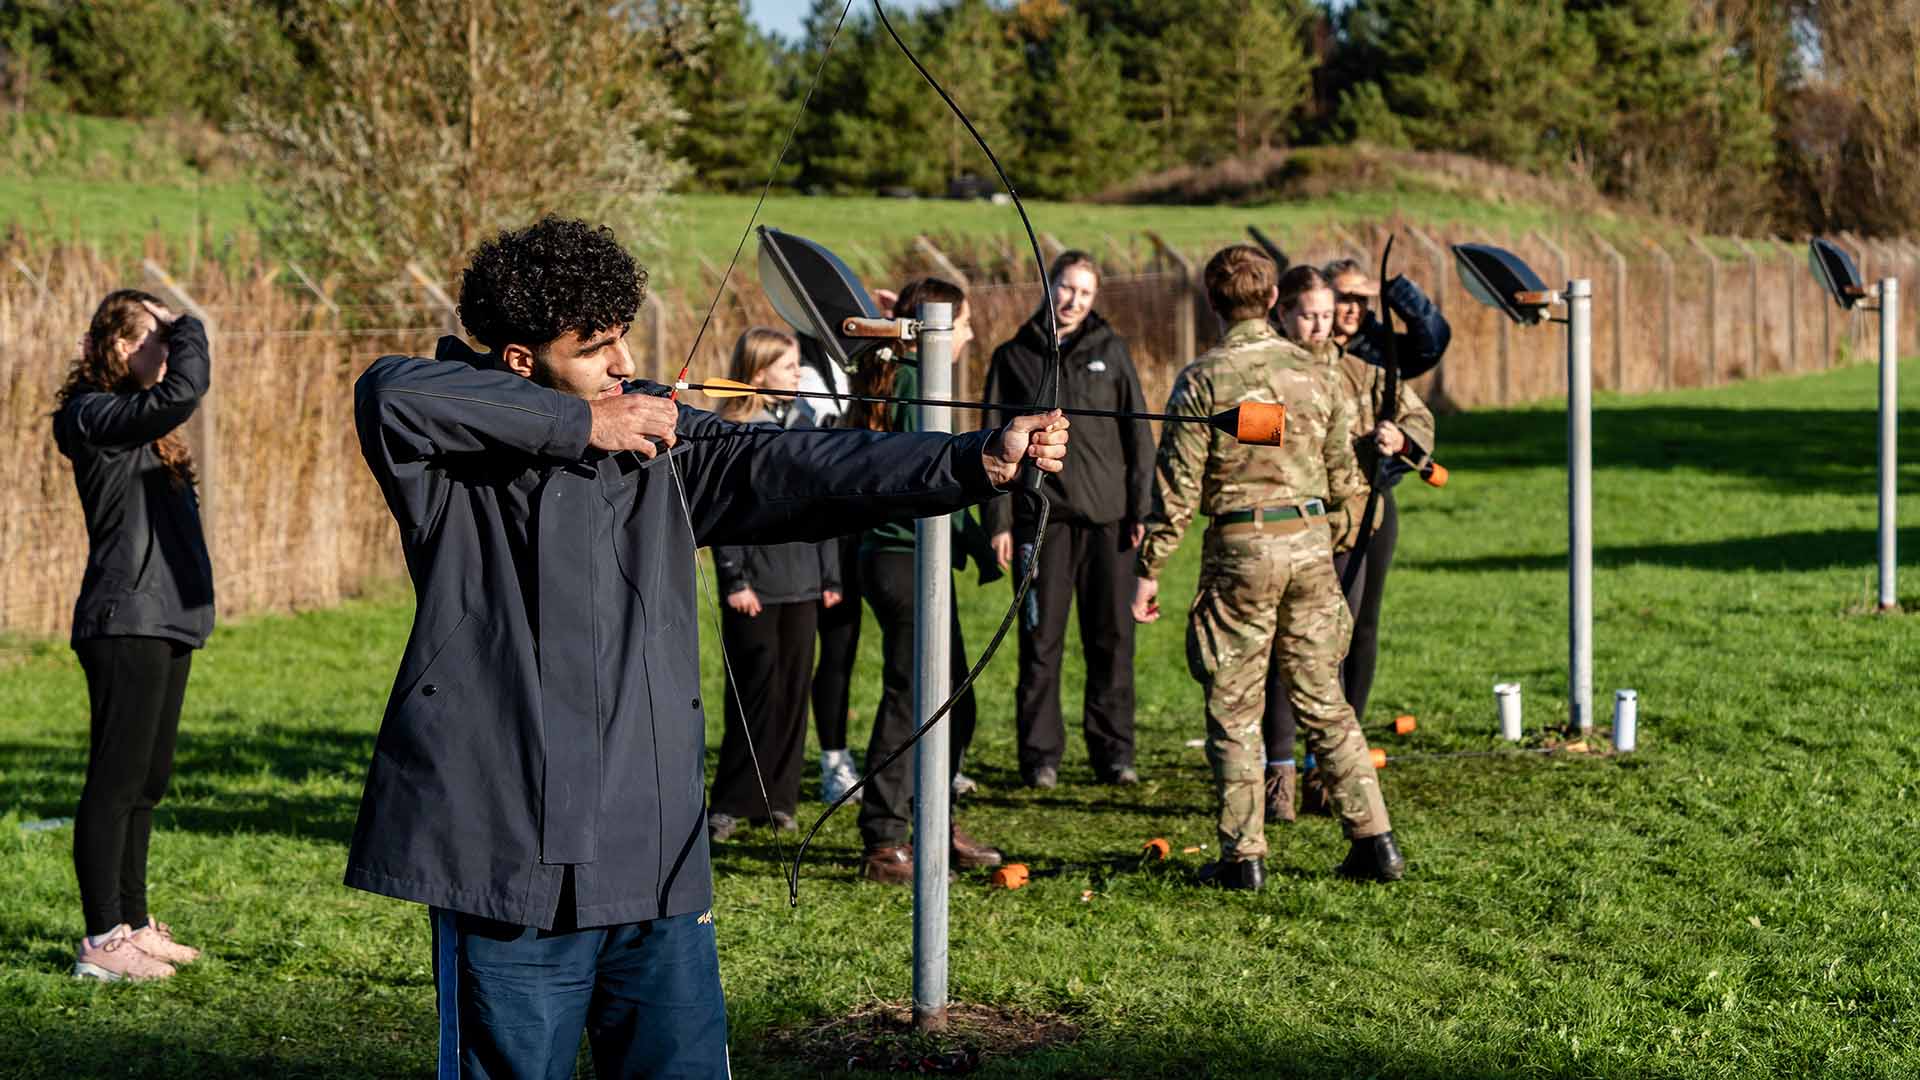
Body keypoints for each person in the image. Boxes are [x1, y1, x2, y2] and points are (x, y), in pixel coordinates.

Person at [349, 218, 1069, 1077]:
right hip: (509, 855)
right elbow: (392, 390)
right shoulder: (446, 460)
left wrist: (970, 458)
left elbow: (802, 464)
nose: (621, 365)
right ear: (518, 360)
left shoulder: (663, 444)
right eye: (595, 349)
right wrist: (584, 427)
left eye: (623, 340)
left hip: (653, 852)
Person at [1130, 245, 1404, 891]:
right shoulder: (1315, 373)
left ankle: (1243, 856)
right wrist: (1335, 533)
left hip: (1241, 550)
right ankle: (1374, 840)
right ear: (1274, 300)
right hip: (1311, 547)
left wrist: (1150, 568)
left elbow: (1176, 488)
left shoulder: (1204, 379)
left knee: (1234, 705)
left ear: (1211, 302)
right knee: (1325, 700)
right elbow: (1343, 475)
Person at [53, 290, 213, 981]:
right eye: (159, 334)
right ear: (122, 347)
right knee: (114, 783)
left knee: (148, 782)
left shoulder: (142, 429)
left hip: (167, 619)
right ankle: (100, 939)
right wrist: (194, 327)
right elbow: (182, 391)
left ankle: (134, 925)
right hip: (125, 620)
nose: (171, 345)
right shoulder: (90, 415)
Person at [1261, 262, 1444, 823]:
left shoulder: (1361, 371)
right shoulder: (1268, 372)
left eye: (1332, 313)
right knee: (1283, 653)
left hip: (1355, 527)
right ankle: (1279, 778)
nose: (1326, 324)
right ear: (1287, 313)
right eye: (1314, 313)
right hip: (1289, 531)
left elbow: (1416, 414)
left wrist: (1401, 436)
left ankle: (1330, 771)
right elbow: (1253, 436)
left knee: (1346, 641)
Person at [848, 277, 1006, 885]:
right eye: (963, 322)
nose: (967, 334)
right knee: (911, 697)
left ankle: (935, 820)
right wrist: (979, 539)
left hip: (906, 557)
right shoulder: (918, 384)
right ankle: (885, 839)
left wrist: (973, 545)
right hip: (900, 556)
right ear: (937, 327)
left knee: (951, 701)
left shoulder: (901, 376)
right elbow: (933, 473)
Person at [982, 251, 1153, 788]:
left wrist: (1142, 511)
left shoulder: (1112, 351)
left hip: (1109, 522)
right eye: (1065, 287)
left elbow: (1138, 436)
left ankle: (1114, 754)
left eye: (1085, 291)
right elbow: (990, 440)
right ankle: (1040, 758)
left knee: (1112, 640)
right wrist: (999, 521)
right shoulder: (1014, 355)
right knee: (1040, 641)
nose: (1074, 299)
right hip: (1041, 522)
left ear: (1095, 297)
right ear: (1048, 287)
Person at [706, 327, 843, 842]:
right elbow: (724, 511)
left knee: (792, 693)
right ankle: (731, 802)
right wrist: (734, 579)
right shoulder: (735, 430)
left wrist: (829, 575)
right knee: (754, 694)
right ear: (759, 374)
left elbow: (821, 502)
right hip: (755, 588)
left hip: (804, 583)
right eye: (788, 367)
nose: (797, 375)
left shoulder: (806, 424)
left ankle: (778, 799)